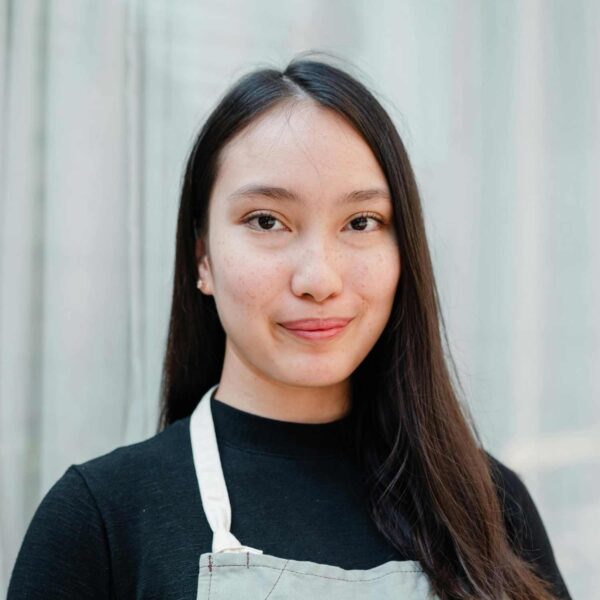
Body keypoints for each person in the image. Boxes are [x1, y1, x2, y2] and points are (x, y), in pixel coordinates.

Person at [8, 56, 571, 599]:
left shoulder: (489, 508)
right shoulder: (100, 522)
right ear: (203, 258)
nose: (318, 279)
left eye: (361, 222)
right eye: (267, 221)